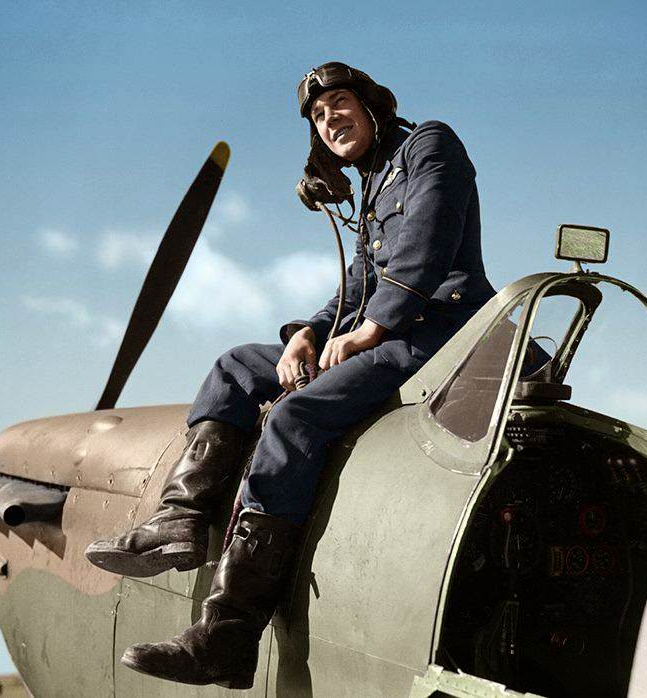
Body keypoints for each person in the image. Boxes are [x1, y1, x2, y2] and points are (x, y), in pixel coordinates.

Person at [83, 61, 497, 687]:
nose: (330, 120)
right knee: (236, 370)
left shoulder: (429, 144)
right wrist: (306, 331)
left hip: (438, 335)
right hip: (384, 331)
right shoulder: (375, 183)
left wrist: (374, 328)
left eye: (338, 104)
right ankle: (182, 518)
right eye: (318, 116)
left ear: (372, 104)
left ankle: (228, 634)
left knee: (295, 416)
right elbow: (357, 282)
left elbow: (431, 237)